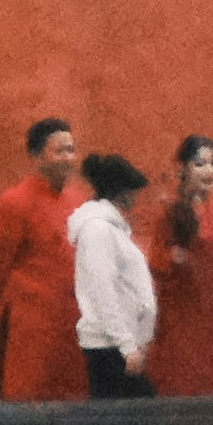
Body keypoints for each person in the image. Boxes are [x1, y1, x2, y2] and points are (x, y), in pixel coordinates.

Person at [0, 117, 87, 404]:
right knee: (29, 402)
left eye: (71, 150)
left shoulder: (80, 203)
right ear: (37, 157)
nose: (68, 158)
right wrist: (8, 310)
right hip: (32, 328)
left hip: (72, 325)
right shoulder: (15, 203)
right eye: (59, 151)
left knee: (72, 405)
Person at [145, 135, 213, 401]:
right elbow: (158, 264)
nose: (209, 171)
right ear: (183, 169)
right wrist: (178, 259)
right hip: (183, 318)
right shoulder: (171, 213)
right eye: (199, 164)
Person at [69, 152, 159, 398]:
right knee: (133, 414)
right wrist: (127, 346)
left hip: (117, 345)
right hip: (111, 348)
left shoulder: (110, 229)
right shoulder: (98, 230)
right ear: (123, 192)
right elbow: (103, 291)